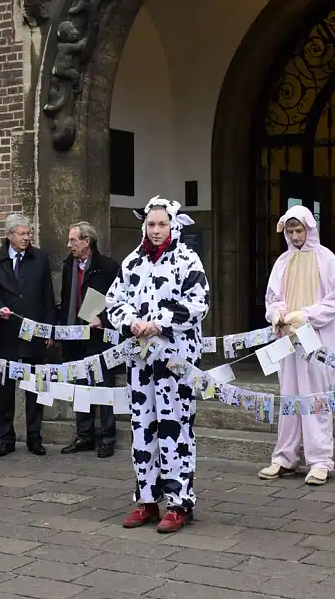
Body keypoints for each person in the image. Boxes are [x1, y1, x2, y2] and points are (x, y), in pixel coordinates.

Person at [106, 196, 209, 534]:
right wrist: (131, 322)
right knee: (142, 427)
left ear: (173, 225)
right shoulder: (132, 262)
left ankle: (179, 503)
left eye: (161, 223)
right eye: (151, 223)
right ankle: (147, 499)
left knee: (175, 428)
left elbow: (198, 304)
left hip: (175, 361)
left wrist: (161, 322)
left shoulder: (187, 259)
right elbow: (113, 302)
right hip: (140, 360)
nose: (155, 229)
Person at [257, 205, 335, 486]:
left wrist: (305, 315)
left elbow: (334, 301)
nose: (295, 236)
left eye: (299, 230)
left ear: (309, 229)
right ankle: (285, 457)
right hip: (287, 340)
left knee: (316, 397)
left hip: (315, 339)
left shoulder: (326, 259)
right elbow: (273, 297)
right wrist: (277, 314)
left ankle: (320, 461)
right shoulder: (283, 262)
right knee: (290, 395)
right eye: (291, 231)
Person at [0, 214, 55, 458]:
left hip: (35, 331)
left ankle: (35, 437)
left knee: (35, 386)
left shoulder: (39, 259)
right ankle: (6, 438)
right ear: (9, 235)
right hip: (7, 331)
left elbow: (48, 295)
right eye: (21, 234)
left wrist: (49, 328)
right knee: (5, 387)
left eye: (28, 233)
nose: (26, 238)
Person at [58, 221, 121, 458]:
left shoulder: (109, 267)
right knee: (81, 387)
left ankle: (107, 437)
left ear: (87, 241)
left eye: (73, 240)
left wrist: (102, 318)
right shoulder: (68, 266)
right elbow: (66, 299)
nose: (69, 245)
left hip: (99, 338)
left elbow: (119, 303)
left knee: (103, 387)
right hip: (74, 336)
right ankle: (84, 435)